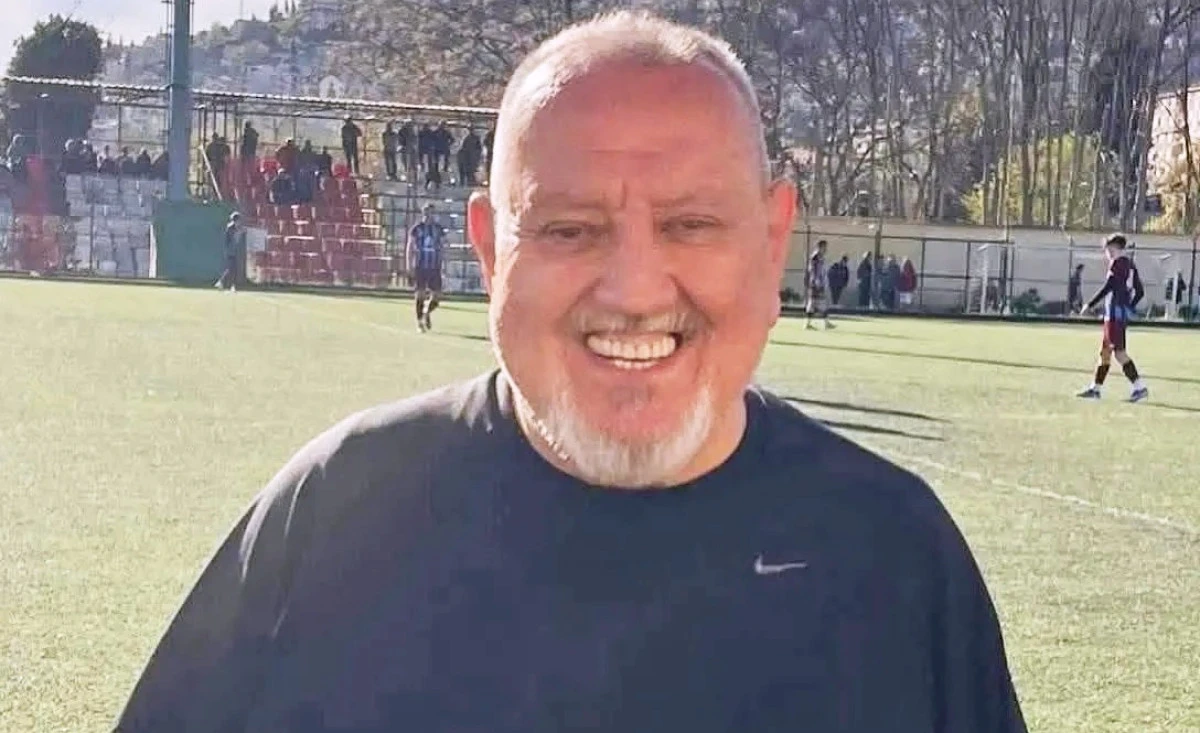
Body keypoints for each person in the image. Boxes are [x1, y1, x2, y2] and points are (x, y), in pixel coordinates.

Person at [113, 12, 1026, 733]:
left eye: (691, 225)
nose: (634, 290)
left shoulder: (894, 556)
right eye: (569, 229)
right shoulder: (335, 515)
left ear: (772, 238)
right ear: (488, 251)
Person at [1077, 233, 1149, 402]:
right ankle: (1095, 389)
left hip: (1114, 315)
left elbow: (1109, 286)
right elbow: (1140, 291)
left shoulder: (1118, 263)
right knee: (1105, 352)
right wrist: (1129, 306)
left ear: (1115, 247)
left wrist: (1090, 304)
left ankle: (1139, 387)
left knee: (1119, 353)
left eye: (1108, 249)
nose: (1107, 253)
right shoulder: (1130, 265)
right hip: (1116, 313)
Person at [406, 203, 445, 332]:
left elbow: (443, 247)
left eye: (432, 213)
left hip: (434, 266)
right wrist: (409, 264)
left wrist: (443, 263)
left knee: (437, 295)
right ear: (423, 213)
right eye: (428, 213)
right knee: (420, 294)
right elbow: (410, 247)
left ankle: (426, 312)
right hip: (420, 266)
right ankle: (419, 322)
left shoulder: (438, 229)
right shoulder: (417, 229)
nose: (430, 216)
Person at [805, 239, 832, 329]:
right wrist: (816, 281)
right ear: (820, 247)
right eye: (824, 247)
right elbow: (813, 270)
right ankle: (825, 323)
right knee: (819, 303)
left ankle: (810, 324)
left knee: (814, 303)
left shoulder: (820, 256)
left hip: (818, 283)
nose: (826, 249)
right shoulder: (816, 257)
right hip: (816, 284)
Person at [215, 212, 243, 292]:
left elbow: (237, 239)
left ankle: (225, 284)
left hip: (234, 250)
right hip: (230, 251)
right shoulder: (230, 228)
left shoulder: (237, 228)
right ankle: (225, 283)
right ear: (235, 220)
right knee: (231, 268)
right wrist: (239, 233)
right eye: (238, 220)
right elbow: (233, 238)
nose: (240, 222)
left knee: (233, 269)